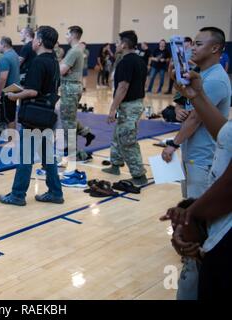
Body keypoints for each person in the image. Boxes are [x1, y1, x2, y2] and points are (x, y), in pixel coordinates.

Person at [161, 27, 231, 300]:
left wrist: (189, 219)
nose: (192, 49)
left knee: (196, 253)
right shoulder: (204, 79)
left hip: (203, 160)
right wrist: (192, 96)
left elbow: (196, 120)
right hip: (199, 157)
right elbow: (221, 130)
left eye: (198, 44)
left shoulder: (215, 80)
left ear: (215, 49)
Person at [0, 26, 64, 206]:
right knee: (47, 155)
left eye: (34, 38)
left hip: (35, 114)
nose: (32, 41)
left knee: (26, 157)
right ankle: (55, 192)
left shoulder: (39, 62)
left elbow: (33, 91)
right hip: (47, 114)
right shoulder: (54, 61)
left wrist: (14, 95)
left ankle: (17, 195)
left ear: (39, 41)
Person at [102, 30, 148, 186]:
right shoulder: (139, 60)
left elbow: (123, 87)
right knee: (117, 135)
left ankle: (139, 175)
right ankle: (115, 165)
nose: (116, 45)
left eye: (117, 42)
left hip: (130, 105)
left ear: (124, 44)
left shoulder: (127, 61)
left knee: (127, 140)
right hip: (132, 103)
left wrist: (112, 109)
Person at [59, 26, 84, 167]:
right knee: (70, 121)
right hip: (72, 87)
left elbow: (61, 70)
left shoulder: (74, 51)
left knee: (68, 123)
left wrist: (61, 67)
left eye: (67, 33)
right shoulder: (75, 50)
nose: (66, 35)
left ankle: (72, 155)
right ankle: (75, 152)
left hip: (70, 89)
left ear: (73, 35)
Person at [0, 36, 20, 146]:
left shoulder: (5, 58)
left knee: (8, 115)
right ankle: (13, 138)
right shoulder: (14, 54)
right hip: (15, 87)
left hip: (8, 89)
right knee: (11, 114)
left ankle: (11, 141)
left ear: (4, 45)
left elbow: (3, 77)